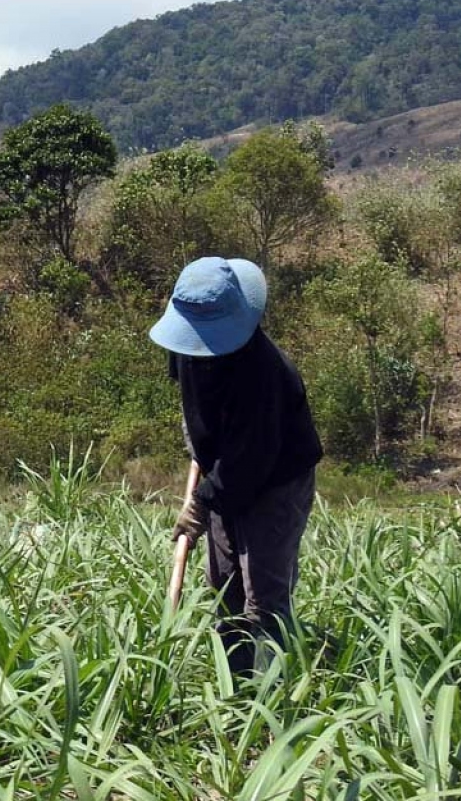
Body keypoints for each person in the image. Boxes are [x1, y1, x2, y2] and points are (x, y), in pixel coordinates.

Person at [151, 257, 322, 674]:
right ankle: (237, 683)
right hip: (226, 471)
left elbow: (252, 460)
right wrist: (200, 452)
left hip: (276, 478)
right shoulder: (187, 349)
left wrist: (201, 502)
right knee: (224, 581)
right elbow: (194, 406)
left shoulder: (263, 373)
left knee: (263, 592)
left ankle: (271, 701)